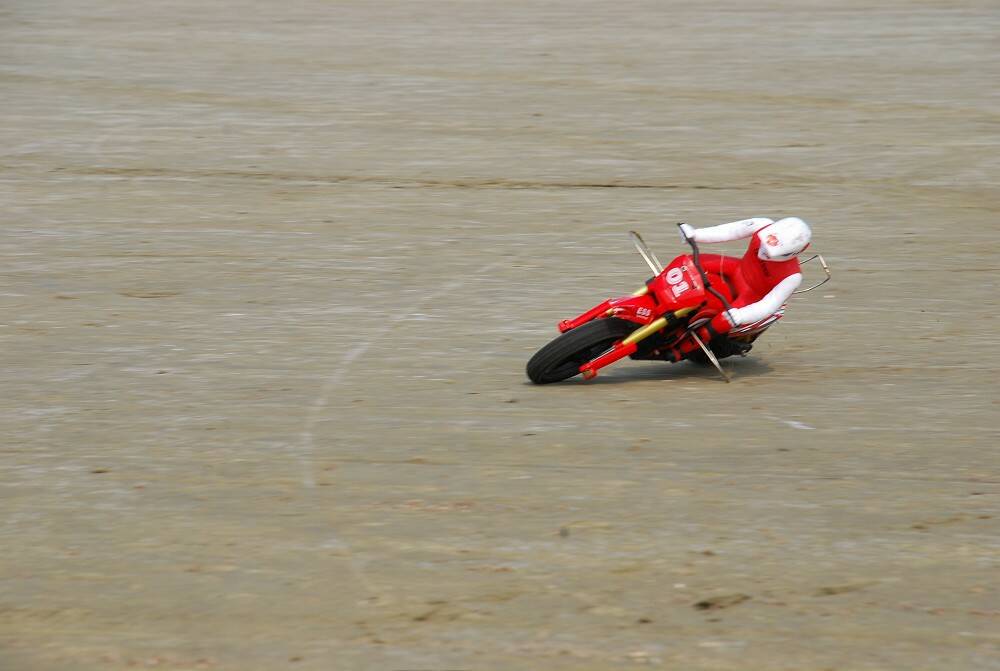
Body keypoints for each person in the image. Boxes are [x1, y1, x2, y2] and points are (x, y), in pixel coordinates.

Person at [663, 216, 812, 362]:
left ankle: (682, 350)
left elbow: (769, 304)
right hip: (736, 269)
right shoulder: (762, 224)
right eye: (764, 245)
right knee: (688, 261)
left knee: (723, 320)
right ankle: (656, 287)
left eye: (774, 253)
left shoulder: (792, 277)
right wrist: (696, 234)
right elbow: (731, 231)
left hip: (750, 295)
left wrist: (741, 315)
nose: (764, 253)